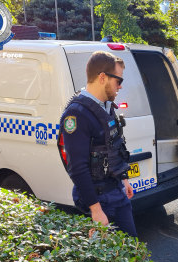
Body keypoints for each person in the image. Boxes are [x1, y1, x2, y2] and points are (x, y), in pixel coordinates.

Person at [59, 51, 137, 237]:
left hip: (116, 191)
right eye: (118, 81)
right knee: (106, 260)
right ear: (102, 77)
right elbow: (77, 167)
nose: (120, 87)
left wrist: (123, 178)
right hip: (98, 200)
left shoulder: (105, 107)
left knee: (132, 249)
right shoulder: (77, 114)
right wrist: (95, 209)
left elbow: (113, 146)